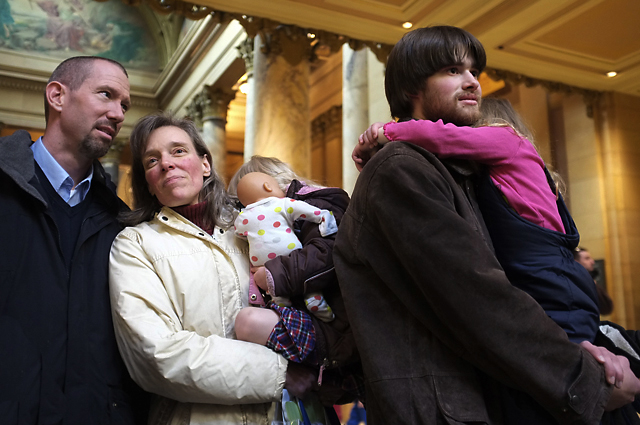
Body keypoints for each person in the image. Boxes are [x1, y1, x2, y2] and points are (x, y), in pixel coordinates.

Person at [333, 25, 640, 425]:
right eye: (452, 70)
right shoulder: (401, 168)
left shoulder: (456, 170)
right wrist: (585, 380)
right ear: (412, 87)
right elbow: (478, 297)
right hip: (445, 409)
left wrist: (582, 343)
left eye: (473, 71)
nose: (472, 82)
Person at [109, 114, 320, 424]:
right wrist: (280, 372)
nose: (166, 163)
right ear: (148, 184)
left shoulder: (249, 229)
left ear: (205, 164)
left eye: (178, 150)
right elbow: (156, 354)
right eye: (152, 161)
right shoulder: (135, 245)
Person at [354, 97, 599, 343]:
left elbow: (444, 137)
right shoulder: (517, 164)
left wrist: (383, 133)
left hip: (552, 283)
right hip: (552, 280)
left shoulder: (505, 138)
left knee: (574, 363)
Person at [0, 56, 148, 424]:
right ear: (57, 96)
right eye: (106, 95)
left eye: (124, 105)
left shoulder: (120, 221)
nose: (118, 114)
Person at [228, 156, 361, 405]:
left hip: (338, 329)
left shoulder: (320, 205)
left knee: (249, 323)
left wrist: (271, 275)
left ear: (270, 185)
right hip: (326, 333)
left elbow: (327, 255)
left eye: (245, 202)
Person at [234, 171, 338, 324]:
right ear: (268, 187)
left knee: (274, 286)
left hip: (262, 261)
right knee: (302, 276)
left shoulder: (242, 217)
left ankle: (280, 300)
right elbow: (307, 211)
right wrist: (322, 216)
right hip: (289, 251)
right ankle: (313, 297)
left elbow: (239, 233)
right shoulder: (283, 203)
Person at [575, 247, 614, 315]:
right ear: (576, 262)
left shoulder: (589, 281)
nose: (592, 262)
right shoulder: (573, 283)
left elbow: (606, 307)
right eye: (587, 258)